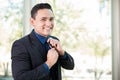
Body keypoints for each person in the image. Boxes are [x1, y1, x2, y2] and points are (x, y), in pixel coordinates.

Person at [11, 3, 74, 80]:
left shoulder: (55, 40)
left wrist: (62, 52)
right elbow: (20, 78)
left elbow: (70, 66)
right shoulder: (21, 45)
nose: (49, 24)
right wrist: (48, 64)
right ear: (32, 21)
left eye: (51, 19)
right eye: (43, 19)